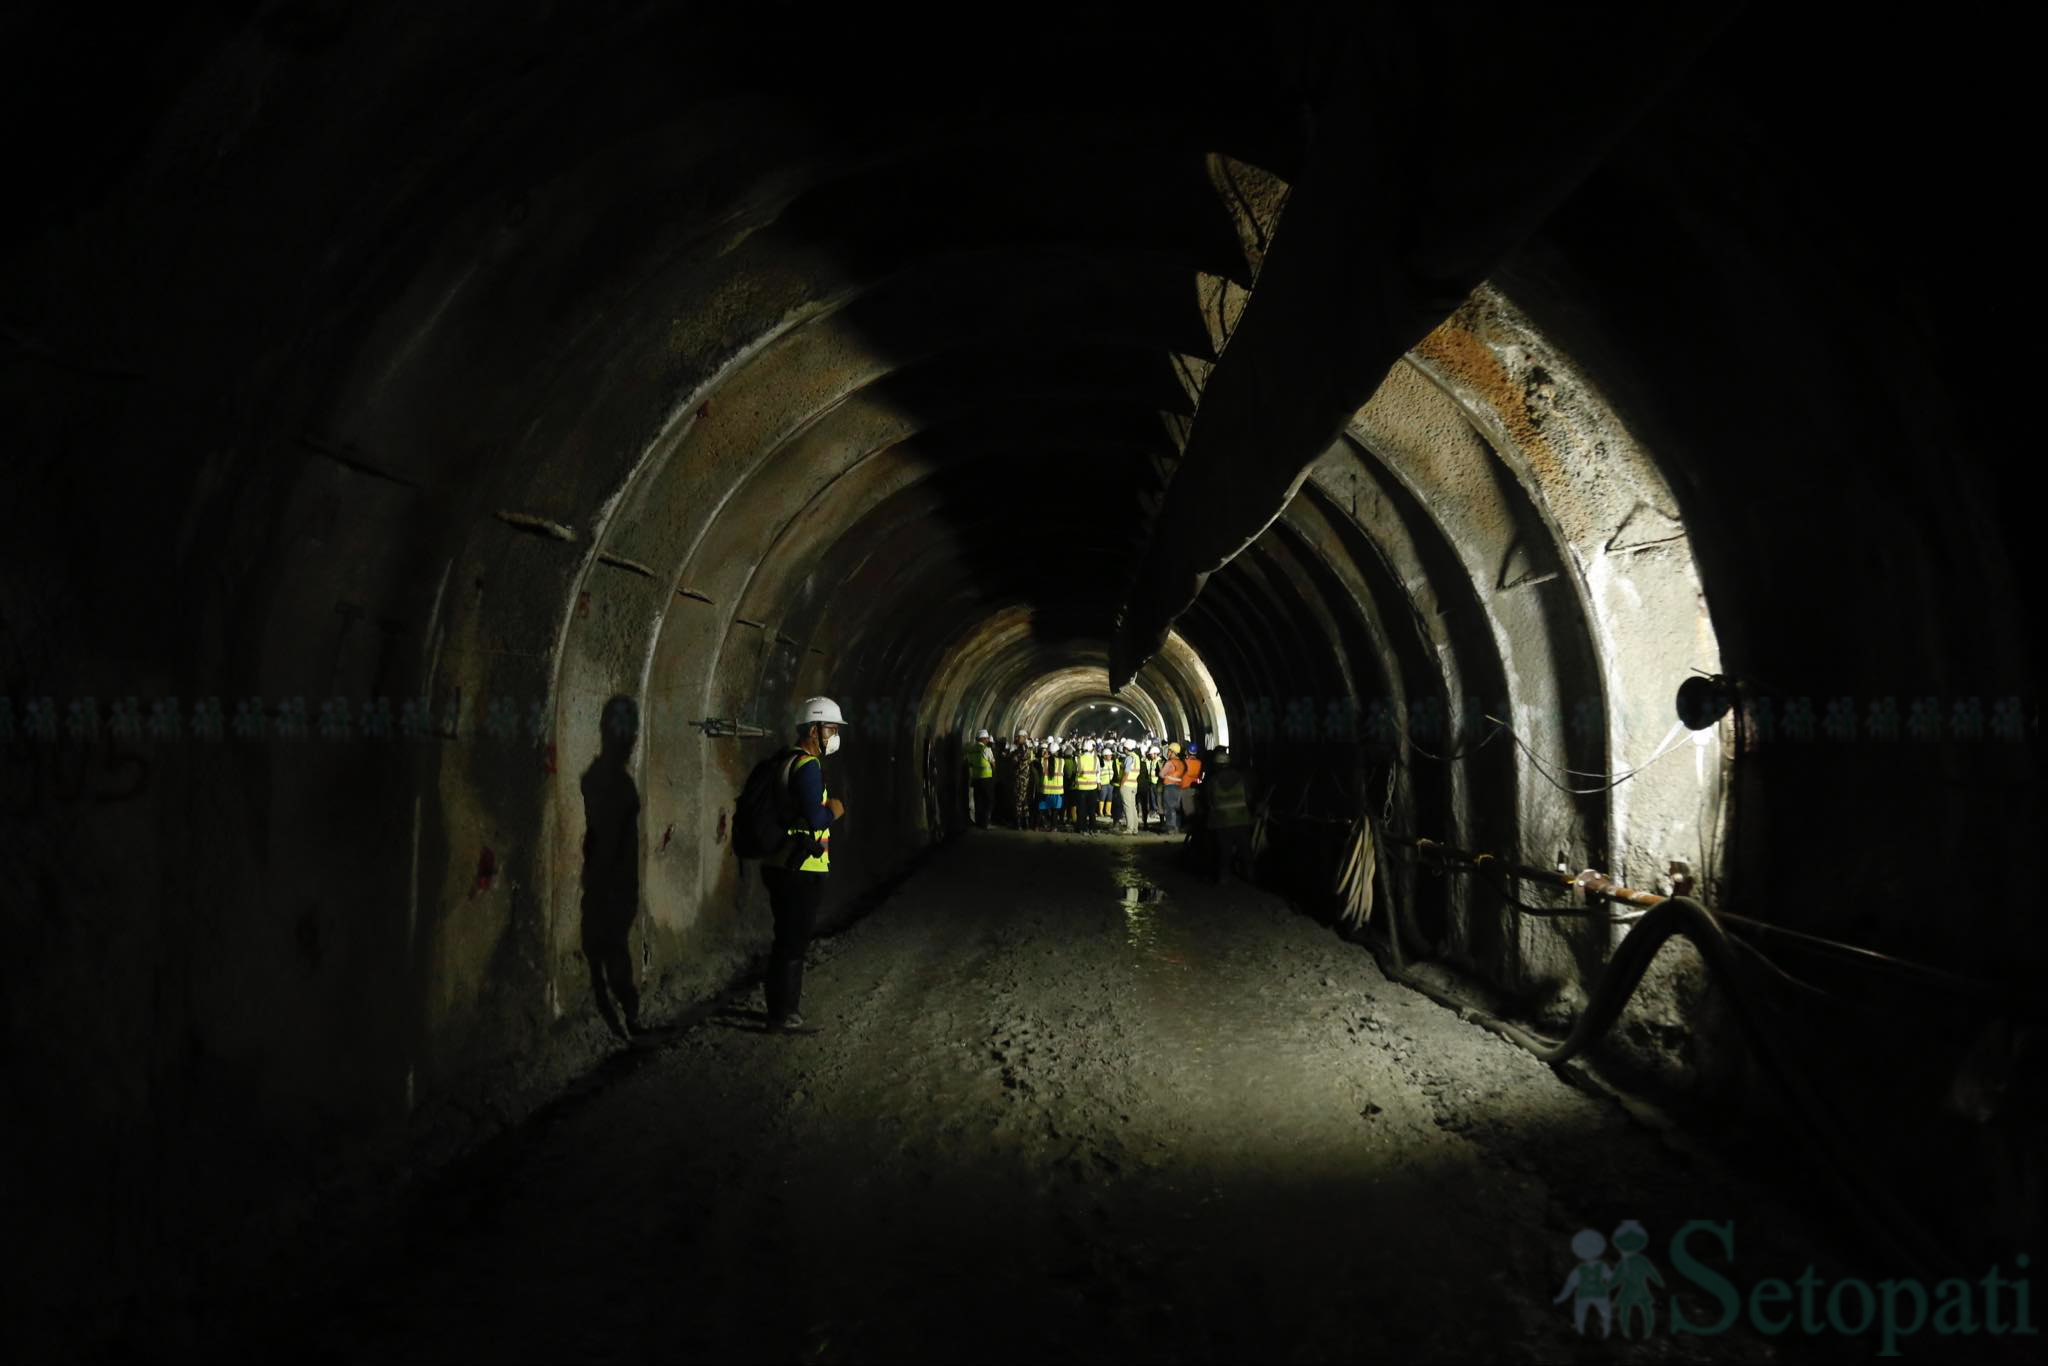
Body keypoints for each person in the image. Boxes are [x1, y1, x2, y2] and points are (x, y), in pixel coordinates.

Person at [763, 696, 846, 1032]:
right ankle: (785, 1015)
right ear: (814, 729)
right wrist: (835, 809)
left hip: (780, 862)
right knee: (793, 941)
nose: (835, 735)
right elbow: (816, 816)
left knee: (784, 938)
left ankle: (778, 1011)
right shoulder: (808, 766)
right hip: (802, 867)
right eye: (831, 728)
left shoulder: (784, 761)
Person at [1202, 745, 1253, 883]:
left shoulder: (1213, 781)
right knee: (1245, 849)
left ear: (1217, 765)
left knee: (1224, 850)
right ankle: (1249, 875)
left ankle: (1224, 877)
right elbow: (1248, 797)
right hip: (1242, 818)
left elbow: (1208, 800)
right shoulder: (1241, 778)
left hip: (1222, 821)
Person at [965, 728, 995, 829]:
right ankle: (985, 823)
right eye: (986, 738)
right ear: (982, 739)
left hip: (976, 779)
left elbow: (969, 763)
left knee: (978, 801)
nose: (987, 740)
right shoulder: (986, 750)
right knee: (987, 801)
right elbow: (993, 764)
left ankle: (978, 822)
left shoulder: (971, 750)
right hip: (986, 779)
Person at [1159, 742, 1186, 835]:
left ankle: (1171, 828)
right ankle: (1177, 827)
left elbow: (1161, 774)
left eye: (1169, 751)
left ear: (1172, 752)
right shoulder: (1181, 763)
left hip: (1169, 787)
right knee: (1177, 808)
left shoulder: (1170, 763)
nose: (1167, 753)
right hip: (1179, 787)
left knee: (1169, 808)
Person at [1074, 739, 1101, 834]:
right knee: (1092, 811)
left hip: (1081, 788)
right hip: (1092, 788)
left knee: (1082, 810)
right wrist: (1098, 784)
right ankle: (1093, 828)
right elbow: (1098, 773)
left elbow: (1076, 772)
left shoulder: (1079, 758)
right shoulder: (1095, 759)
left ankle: (1082, 828)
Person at [1116, 739, 1141, 834]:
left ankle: (1129, 829)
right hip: (1134, 784)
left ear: (1126, 748)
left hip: (1127, 785)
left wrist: (1121, 785)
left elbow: (1126, 773)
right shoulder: (1136, 757)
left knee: (1127, 807)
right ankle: (1135, 828)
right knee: (1133, 807)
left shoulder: (1129, 758)